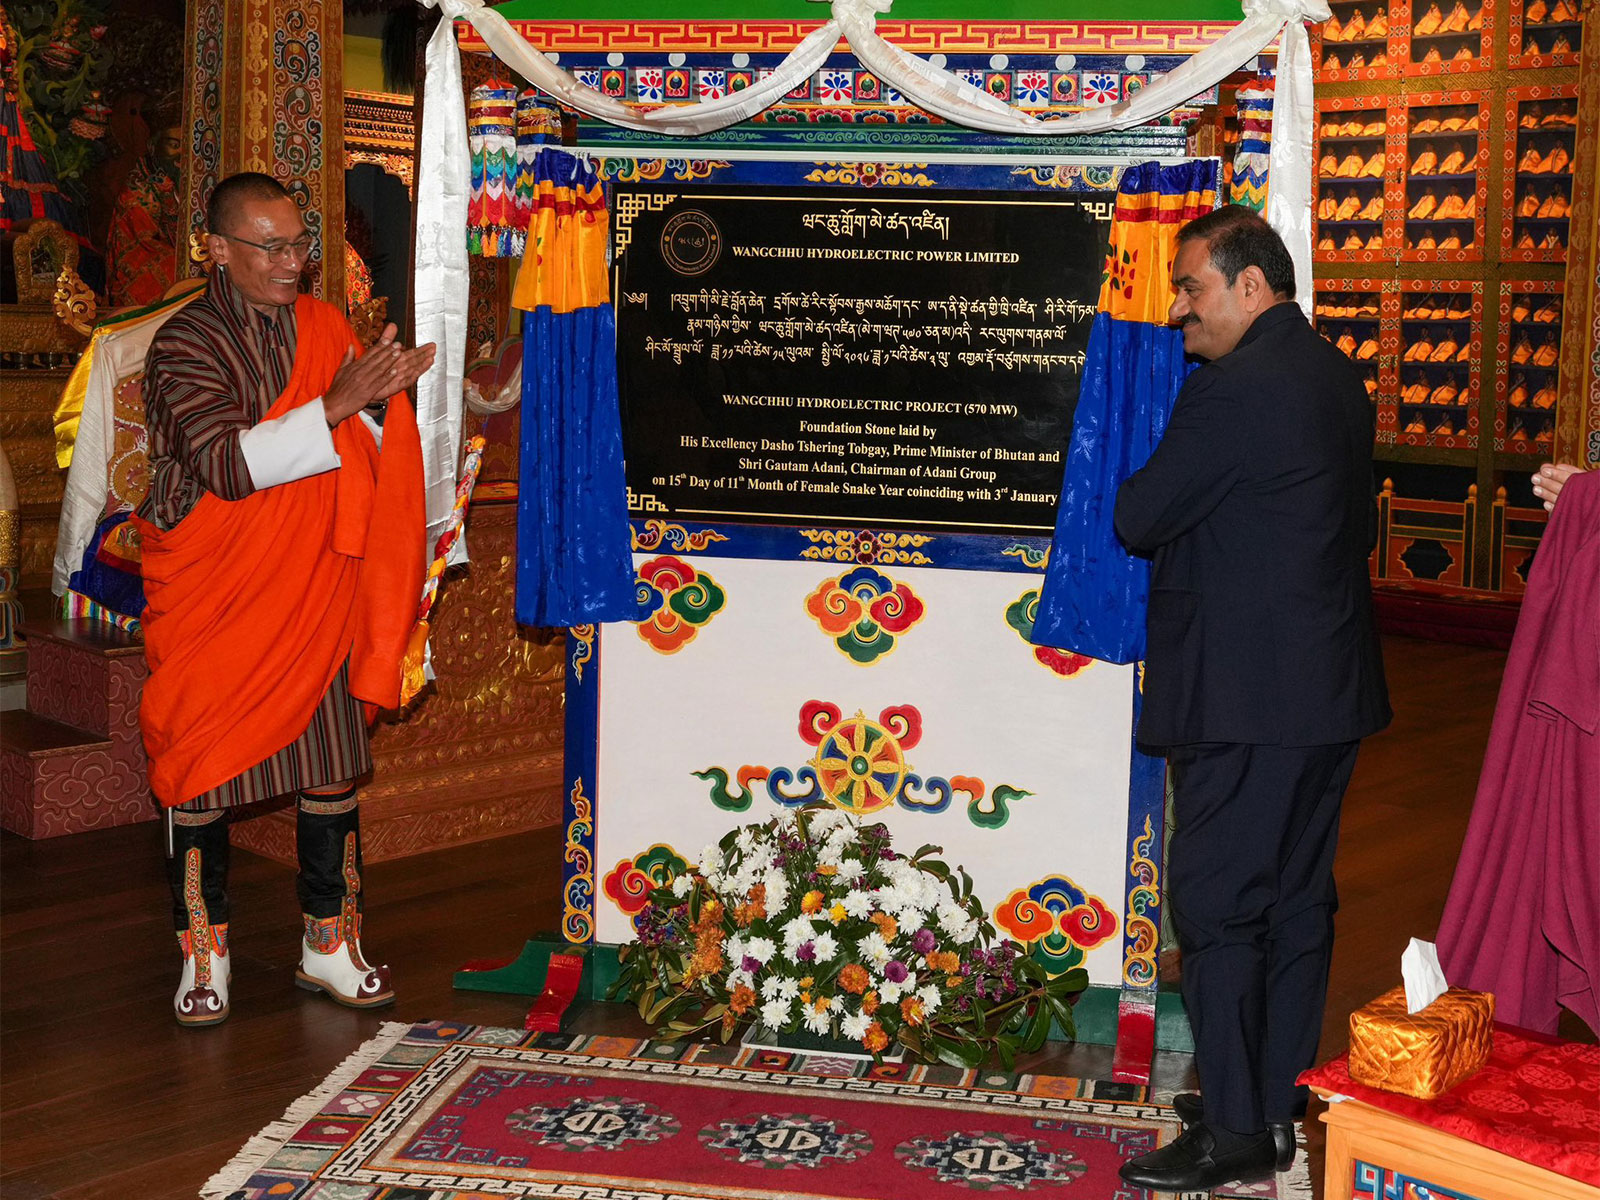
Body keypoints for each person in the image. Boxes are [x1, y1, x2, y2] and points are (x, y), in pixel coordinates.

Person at [1111, 206, 1391, 1191]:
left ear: (1250, 286)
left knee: (1220, 908)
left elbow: (1139, 517)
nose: (1178, 309)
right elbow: (1351, 526)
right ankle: (1272, 1103)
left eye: (1191, 287)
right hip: (1326, 692)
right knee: (1297, 903)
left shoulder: (1229, 392)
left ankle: (1231, 1132)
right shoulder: (1336, 378)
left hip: (1241, 699)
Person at [134, 172, 434, 1027]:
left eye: (298, 244)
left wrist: (384, 406)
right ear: (217, 250)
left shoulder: (326, 327)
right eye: (268, 246)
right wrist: (341, 401)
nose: (290, 263)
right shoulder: (182, 344)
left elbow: (364, 444)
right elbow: (226, 465)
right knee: (197, 772)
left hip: (313, 577)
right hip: (217, 588)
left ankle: (329, 943)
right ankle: (205, 952)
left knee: (332, 766)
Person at [105, 106, 183, 307]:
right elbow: (141, 245)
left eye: (188, 146)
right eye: (174, 145)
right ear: (153, 146)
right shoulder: (137, 189)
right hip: (145, 267)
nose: (182, 154)